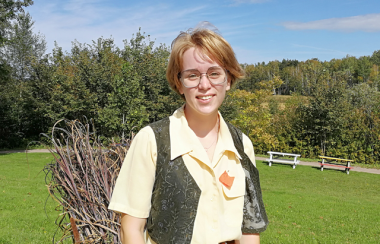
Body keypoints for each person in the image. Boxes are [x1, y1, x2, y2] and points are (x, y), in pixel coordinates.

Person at [108, 22, 268, 244]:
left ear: (228, 80)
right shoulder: (152, 140)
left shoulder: (242, 145)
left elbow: (249, 228)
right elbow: (131, 229)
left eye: (214, 73)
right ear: (179, 83)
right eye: (192, 75)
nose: (204, 85)